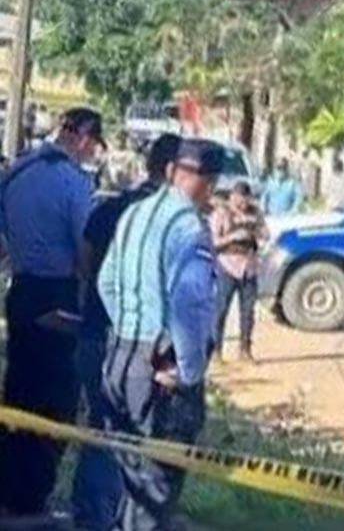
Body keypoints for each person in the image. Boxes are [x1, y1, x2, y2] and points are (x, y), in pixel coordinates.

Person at [97, 138, 221, 530]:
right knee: (155, 491)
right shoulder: (189, 228)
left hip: (119, 362)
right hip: (160, 375)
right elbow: (189, 302)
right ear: (210, 184)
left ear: (170, 171)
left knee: (131, 484)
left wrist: (129, 330)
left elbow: (105, 282)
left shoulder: (134, 214)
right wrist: (187, 371)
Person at [71, 133, 182, 531]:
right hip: (139, 345)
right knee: (136, 443)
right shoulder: (169, 221)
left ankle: (90, 517)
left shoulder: (111, 209)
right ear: (173, 170)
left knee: (100, 430)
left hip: (94, 332)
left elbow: (85, 263)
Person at [0, 107, 105, 520]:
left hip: (21, 291)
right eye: (93, 144)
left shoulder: (17, 171)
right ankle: (32, 500)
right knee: (55, 403)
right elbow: (85, 251)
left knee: (17, 394)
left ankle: (8, 490)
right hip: (58, 296)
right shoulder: (73, 182)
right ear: (82, 137)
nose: (92, 152)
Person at [209, 181, 267, 362]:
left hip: (249, 267)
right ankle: (216, 351)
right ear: (232, 197)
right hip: (227, 265)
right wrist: (233, 237)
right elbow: (213, 242)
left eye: (246, 199)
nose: (243, 203)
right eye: (239, 199)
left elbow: (265, 233)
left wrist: (259, 234)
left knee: (248, 312)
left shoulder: (255, 213)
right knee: (220, 310)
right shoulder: (222, 214)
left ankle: (245, 350)